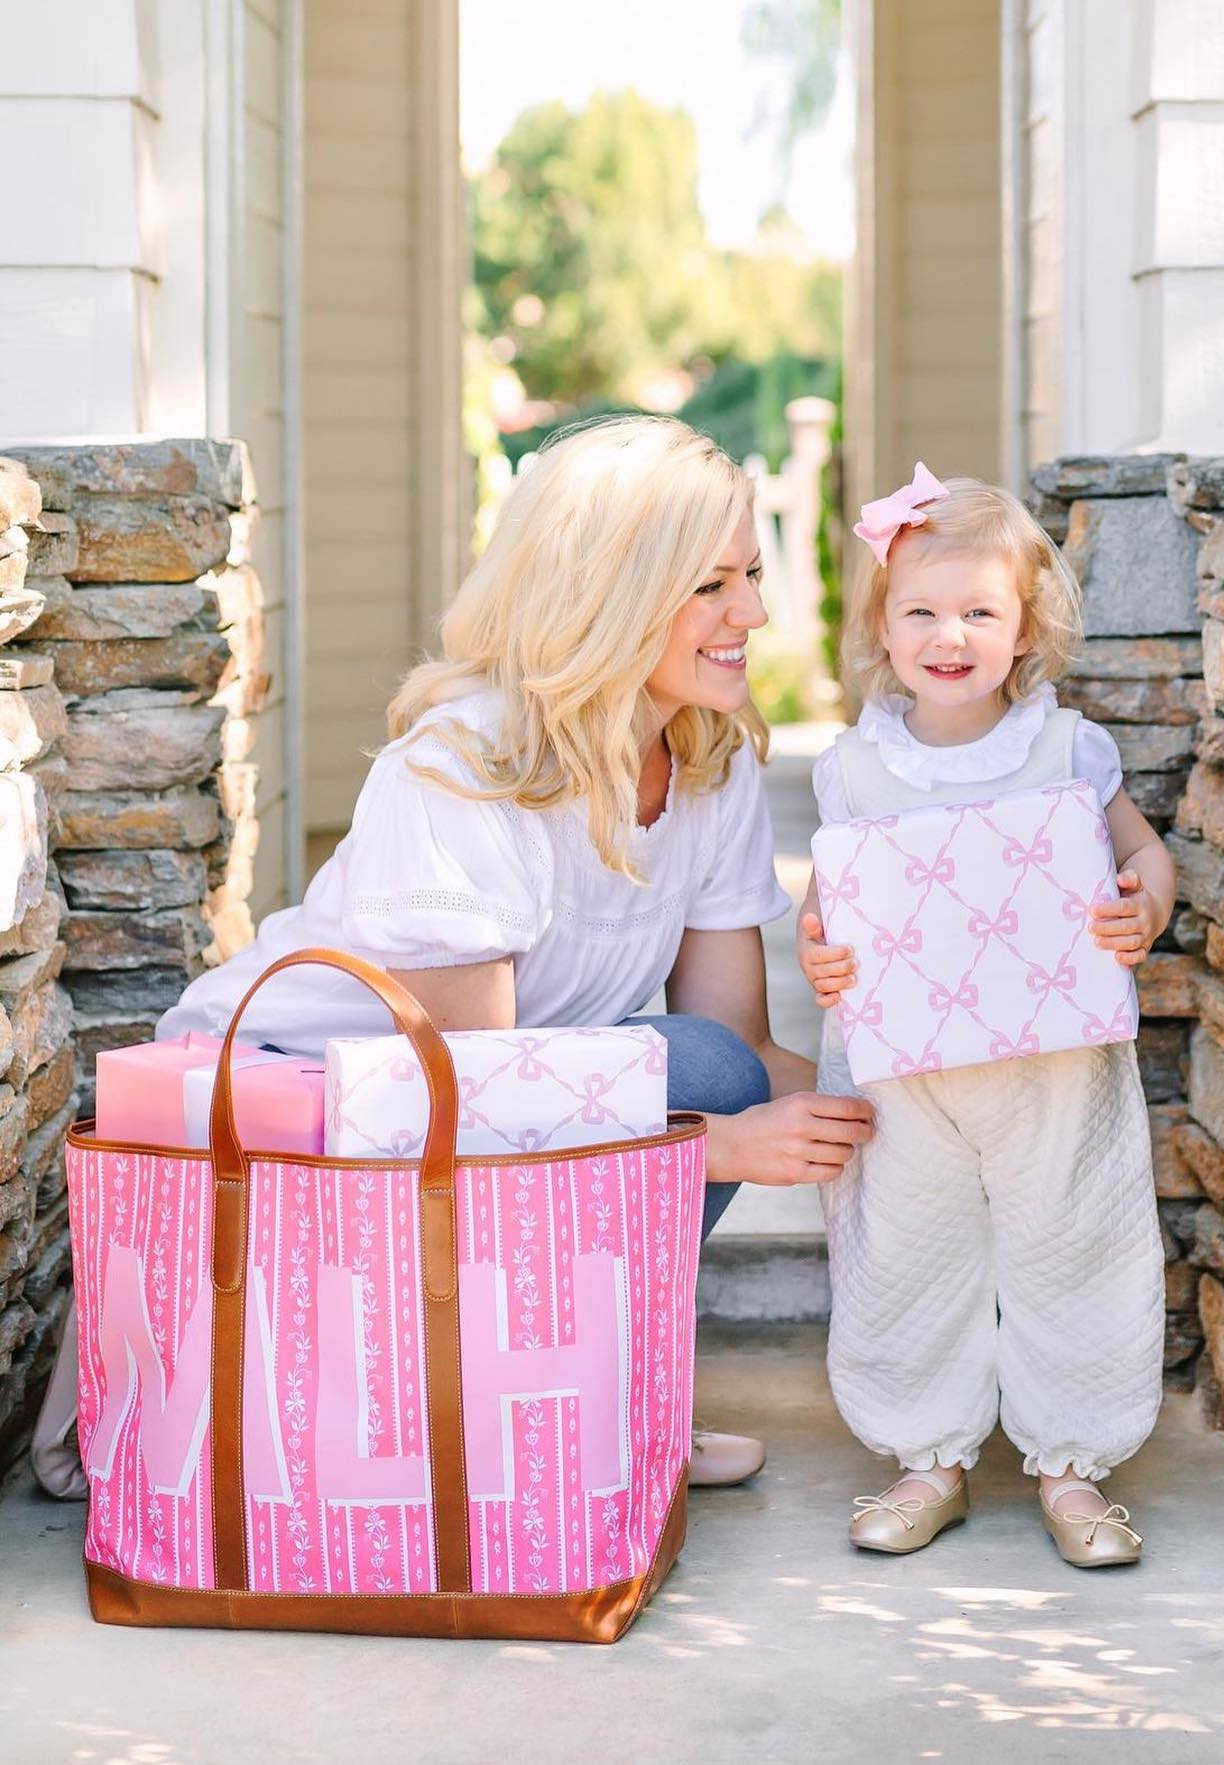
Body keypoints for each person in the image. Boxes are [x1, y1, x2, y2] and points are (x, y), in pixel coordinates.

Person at [159, 415, 874, 1487]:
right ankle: (528, 1405)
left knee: (705, 1066)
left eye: (752, 576)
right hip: (304, 1115)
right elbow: (461, 1088)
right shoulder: (463, 766)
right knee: (700, 1099)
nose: (755, 615)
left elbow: (735, 1053)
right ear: (611, 592)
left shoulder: (706, 759)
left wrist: (910, 1117)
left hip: (482, 1110)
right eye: (711, 586)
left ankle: (587, 1394)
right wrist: (721, 1148)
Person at [795, 466, 1171, 1564]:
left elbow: (1142, 851)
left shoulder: (1063, 749)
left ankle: (1073, 1466)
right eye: (920, 610)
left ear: (1024, 626)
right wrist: (819, 948)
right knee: (907, 1244)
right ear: (881, 624)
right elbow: (831, 895)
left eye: (978, 612)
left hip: (1054, 1065)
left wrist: (1141, 902)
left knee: (1074, 1237)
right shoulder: (858, 766)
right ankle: (929, 1459)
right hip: (905, 1064)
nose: (948, 634)